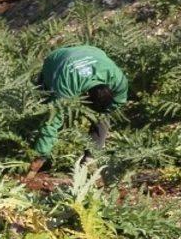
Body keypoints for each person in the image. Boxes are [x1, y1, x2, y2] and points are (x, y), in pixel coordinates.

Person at [27, 45, 128, 177]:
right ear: (85, 96)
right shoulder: (66, 83)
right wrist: (39, 157)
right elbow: (52, 121)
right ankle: (29, 145)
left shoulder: (118, 81)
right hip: (56, 62)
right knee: (42, 110)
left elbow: (118, 103)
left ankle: (90, 160)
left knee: (104, 117)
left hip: (93, 52)